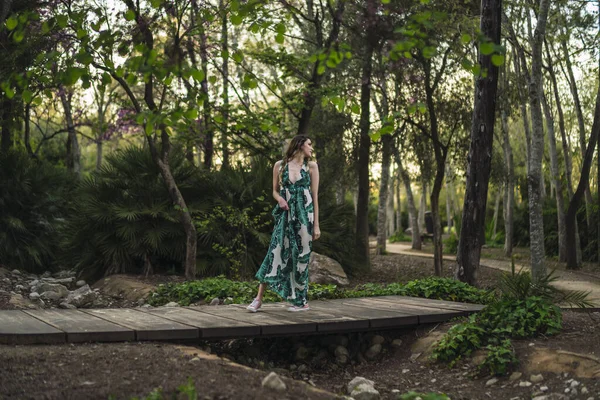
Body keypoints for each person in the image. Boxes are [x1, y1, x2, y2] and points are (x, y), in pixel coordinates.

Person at [247, 135, 320, 312]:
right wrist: (279, 198)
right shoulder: (280, 166)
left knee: (301, 257)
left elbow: (315, 196)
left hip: (305, 217)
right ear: (300, 145)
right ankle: (258, 299)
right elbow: (274, 190)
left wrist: (316, 225)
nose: (311, 148)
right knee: (275, 251)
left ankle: (301, 301)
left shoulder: (311, 166)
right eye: (309, 144)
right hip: (286, 216)